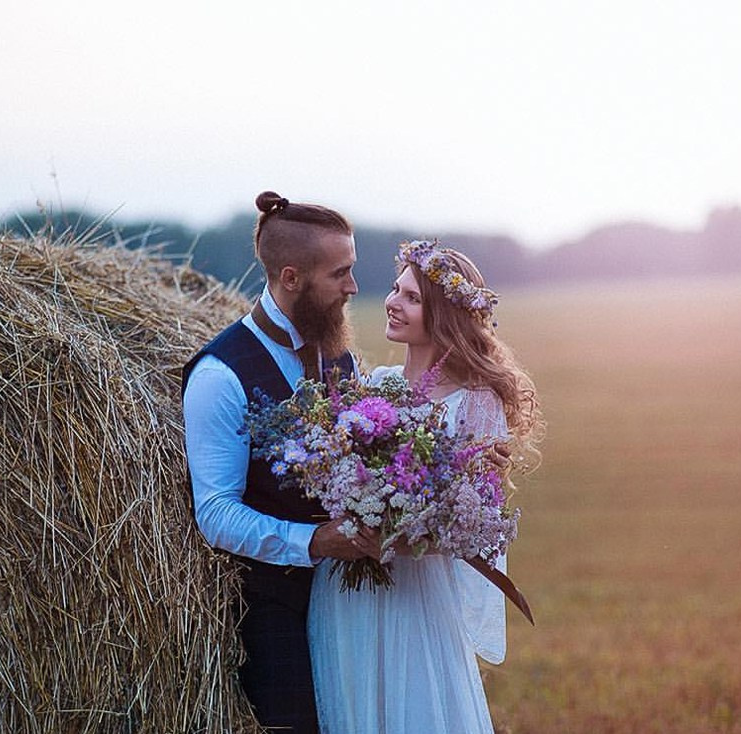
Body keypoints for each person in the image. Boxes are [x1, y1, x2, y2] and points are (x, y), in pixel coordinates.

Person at [307, 239, 545, 733]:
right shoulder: (376, 385)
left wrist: (406, 532)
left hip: (417, 597)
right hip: (347, 592)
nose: (392, 302)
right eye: (396, 290)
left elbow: (474, 524)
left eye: (411, 297)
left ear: (443, 316)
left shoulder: (477, 404)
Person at [181, 191, 377, 733]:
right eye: (340, 273)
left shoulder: (340, 356)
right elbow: (216, 513)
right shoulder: (219, 377)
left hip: (353, 600)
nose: (353, 288)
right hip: (272, 613)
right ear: (291, 278)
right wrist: (313, 542)